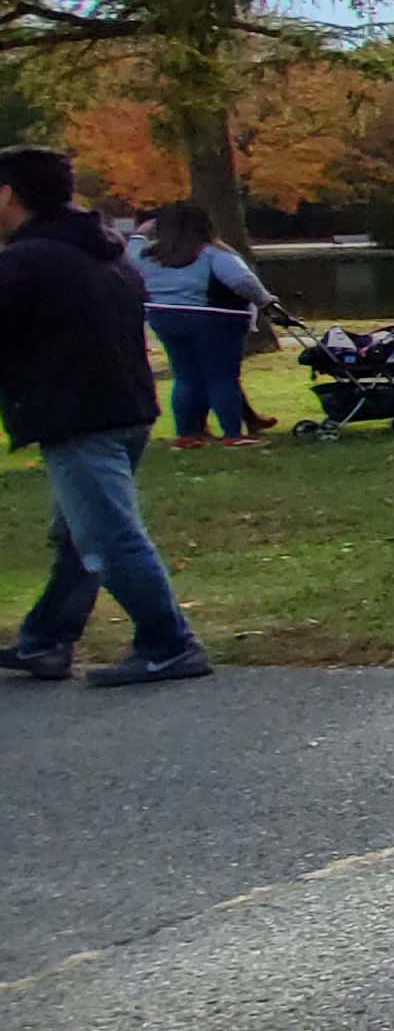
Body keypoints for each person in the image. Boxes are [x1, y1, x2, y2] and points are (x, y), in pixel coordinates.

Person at [2, 150, 212, 686]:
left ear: (9, 193)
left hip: (78, 414)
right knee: (80, 533)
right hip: (122, 408)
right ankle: (46, 639)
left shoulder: (29, 261)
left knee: (107, 536)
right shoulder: (101, 251)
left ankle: (169, 644)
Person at [135, 205, 278, 442]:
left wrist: (141, 232)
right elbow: (242, 281)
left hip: (164, 317)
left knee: (185, 377)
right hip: (215, 320)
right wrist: (265, 301)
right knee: (222, 377)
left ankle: (188, 433)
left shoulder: (148, 256)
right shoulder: (213, 254)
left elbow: (130, 251)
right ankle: (233, 433)